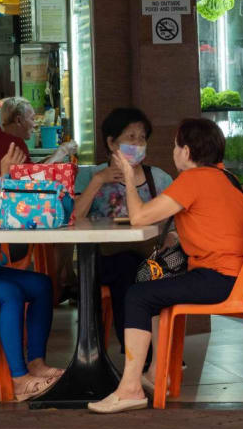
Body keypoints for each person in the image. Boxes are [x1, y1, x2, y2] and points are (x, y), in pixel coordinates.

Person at [88, 118, 243, 413]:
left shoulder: (194, 179)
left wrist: (128, 176)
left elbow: (139, 218)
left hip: (221, 279)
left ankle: (129, 388)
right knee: (150, 279)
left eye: (176, 145)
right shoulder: (226, 178)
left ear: (188, 151)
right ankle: (155, 374)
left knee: (138, 295)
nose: (173, 151)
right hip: (242, 278)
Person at [0, 106, 63, 400]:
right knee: (9, 292)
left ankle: (36, 363)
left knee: (41, 284)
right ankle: (18, 380)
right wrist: (5, 178)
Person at [74, 108, 173, 351]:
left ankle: (157, 353)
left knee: (151, 270)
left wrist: (170, 238)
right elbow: (73, 218)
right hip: (102, 259)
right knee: (126, 266)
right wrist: (99, 181)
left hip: (150, 254)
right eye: (130, 137)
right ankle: (140, 354)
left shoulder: (158, 179)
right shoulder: (89, 176)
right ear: (111, 141)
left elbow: (177, 223)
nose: (138, 143)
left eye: (142, 138)